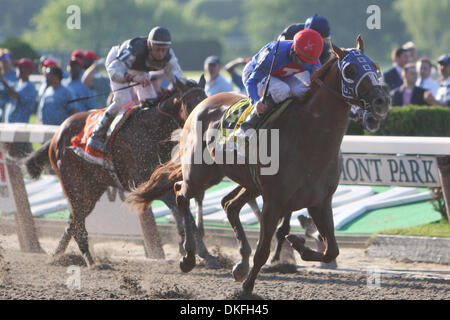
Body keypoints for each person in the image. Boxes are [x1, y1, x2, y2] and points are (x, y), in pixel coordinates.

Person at [86, 26, 187, 153]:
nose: (161, 54)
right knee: (123, 100)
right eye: (157, 49)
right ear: (149, 45)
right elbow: (113, 71)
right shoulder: (135, 49)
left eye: (164, 50)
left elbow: (178, 77)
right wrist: (132, 78)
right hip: (117, 64)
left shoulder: (169, 56)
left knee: (150, 101)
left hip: (139, 69)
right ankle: (97, 134)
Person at [238, 29, 323, 133]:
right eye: (300, 60)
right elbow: (252, 82)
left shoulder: (312, 60)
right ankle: (250, 121)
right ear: (293, 50)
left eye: (306, 62)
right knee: (282, 90)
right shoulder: (274, 53)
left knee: (302, 90)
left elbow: (318, 85)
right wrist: (255, 102)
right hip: (253, 74)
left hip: (281, 76)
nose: (303, 64)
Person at [0, 58, 37, 157]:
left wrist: (2, 80)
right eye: (18, 67)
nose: (19, 69)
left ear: (29, 70)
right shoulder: (17, 84)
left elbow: (15, 95)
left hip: (21, 129)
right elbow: (4, 93)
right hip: (11, 128)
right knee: (12, 160)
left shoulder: (30, 86)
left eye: (22, 67)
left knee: (22, 159)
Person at [0, 49, 18, 122]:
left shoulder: (16, 74)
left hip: (11, 110)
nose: (4, 61)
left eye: (7, 58)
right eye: (2, 59)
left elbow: (15, 93)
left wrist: (2, 81)